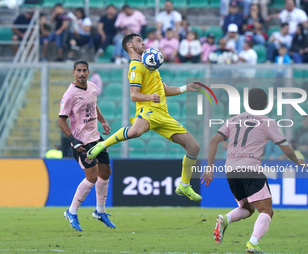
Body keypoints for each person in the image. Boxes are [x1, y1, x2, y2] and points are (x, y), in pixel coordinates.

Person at [87, 33, 203, 202]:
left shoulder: (150, 64)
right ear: (130, 46)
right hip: (148, 110)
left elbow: (165, 90)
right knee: (135, 132)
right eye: (139, 41)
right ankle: (102, 145)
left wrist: (186, 88)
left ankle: (184, 185)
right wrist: (150, 98)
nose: (143, 43)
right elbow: (134, 95)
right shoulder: (135, 66)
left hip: (163, 114)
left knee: (194, 147)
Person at [200, 88, 307, 253]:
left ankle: (225, 219)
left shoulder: (233, 120)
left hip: (231, 170)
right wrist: (297, 161)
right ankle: (253, 243)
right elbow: (286, 149)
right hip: (250, 168)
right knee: (266, 210)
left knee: (248, 208)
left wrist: (209, 169)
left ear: (247, 103)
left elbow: (214, 142)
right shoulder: (268, 122)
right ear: (265, 105)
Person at [58, 59, 116, 231]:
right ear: (73, 73)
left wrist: (103, 121)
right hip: (81, 141)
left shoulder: (92, 86)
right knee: (91, 177)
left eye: (84, 70)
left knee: (105, 172)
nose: (82, 73)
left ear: (88, 72)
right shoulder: (70, 94)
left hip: (96, 137)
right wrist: (72, 140)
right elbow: (61, 120)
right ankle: (71, 211)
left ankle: (100, 211)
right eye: (79, 70)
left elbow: (93, 105)